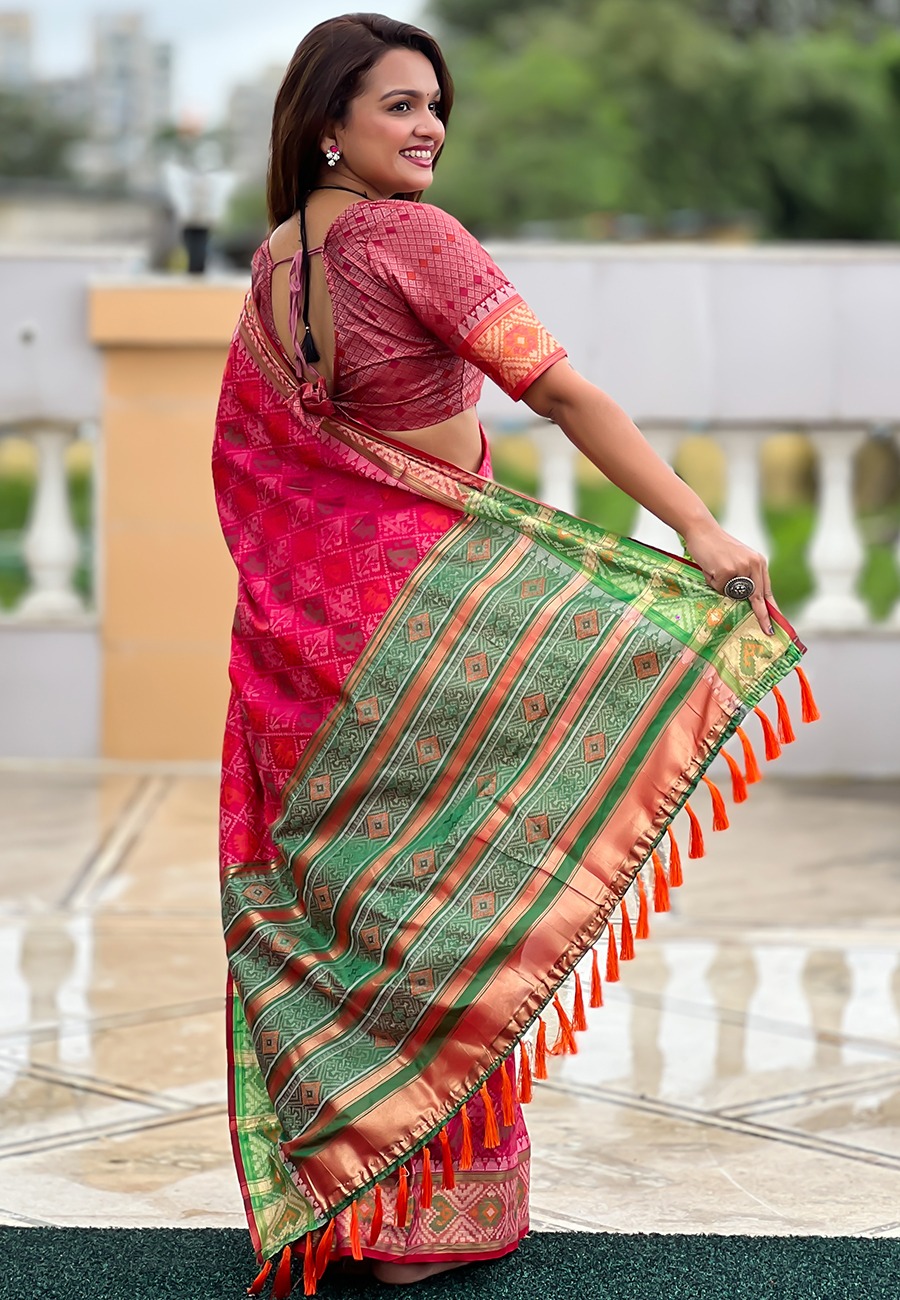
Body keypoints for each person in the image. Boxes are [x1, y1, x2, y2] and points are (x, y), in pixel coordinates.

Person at [212, 13, 815, 1297]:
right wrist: (698, 524)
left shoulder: (273, 265)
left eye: (438, 107)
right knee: (458, 903)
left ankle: (362, 1207)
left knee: (372, 906)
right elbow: (560, 392)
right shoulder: (414, 239)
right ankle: (433, 1218)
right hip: (434, 634)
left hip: (313, 649)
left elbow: (253, 476)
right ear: (328, 122)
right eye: (399, 107)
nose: (429, 127)